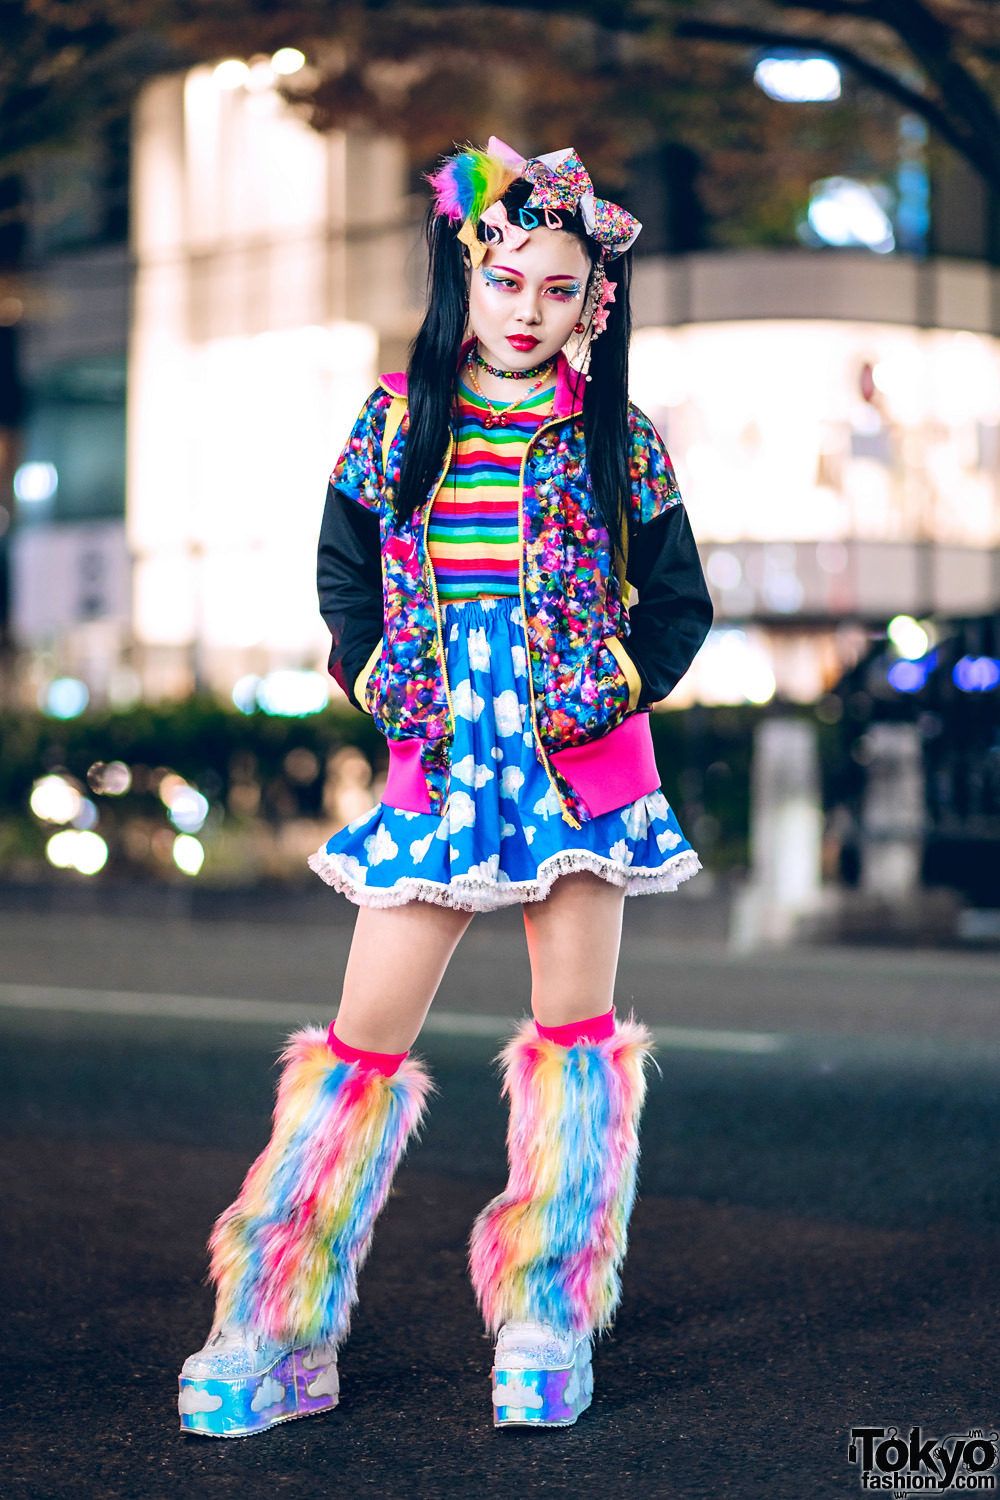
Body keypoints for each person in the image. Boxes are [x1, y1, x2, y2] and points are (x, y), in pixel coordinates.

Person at [177, 137, 713, 1438]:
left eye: (557, 287)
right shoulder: (396, 425)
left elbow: (683, 602)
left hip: (579, 776)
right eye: (507, 279)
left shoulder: (616, 438)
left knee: (576, 1050)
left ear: (595, 300)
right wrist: (373, 673)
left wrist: (609, 686)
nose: (528, 308)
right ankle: (273, 1319)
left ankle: (550, 1309)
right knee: (360, 1047)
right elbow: (343, 572)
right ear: (465, 280)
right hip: (438, 767)